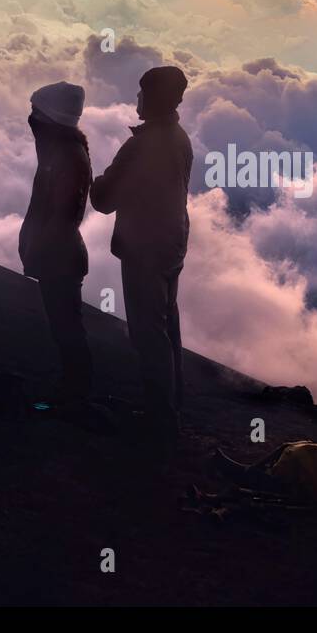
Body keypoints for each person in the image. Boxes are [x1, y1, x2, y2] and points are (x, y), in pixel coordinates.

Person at [90, 66, 192, 457]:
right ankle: (168, 410)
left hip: (144, 248)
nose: (138, 99)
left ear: (155, 97)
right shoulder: (179, 138)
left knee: (148, 332)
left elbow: (104, 200)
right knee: (166, 326)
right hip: (172, 244)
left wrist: (94, 179)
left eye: (142, 91)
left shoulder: (142, 145)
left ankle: (159, 421)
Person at [19, 81, 94, 407]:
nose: (31, 118)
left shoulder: (66, 156)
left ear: (49, 117)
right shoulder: (61, 151)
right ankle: (72, 389)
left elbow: (63, 215)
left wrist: (39, 248)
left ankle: (75, 393)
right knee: (64, 326)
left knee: (67, 328)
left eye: (36, 112)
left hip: (60, 259)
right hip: (58, 256)